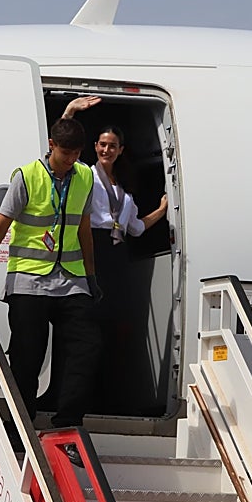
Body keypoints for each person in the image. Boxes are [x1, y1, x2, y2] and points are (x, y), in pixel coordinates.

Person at [0, 117, 100, 433]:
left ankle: (68, 421)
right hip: (28, 281)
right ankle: (21, 425)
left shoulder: (84, 177)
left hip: (70, 280)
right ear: (52, 145)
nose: (70, 160)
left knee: (87, 346)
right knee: (27, 357)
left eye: (76, 154)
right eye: (65, 153)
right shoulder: (27, 176)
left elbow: (84, 229)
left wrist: (91, 276)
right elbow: (1, 223)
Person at [62, 97, 168, 413]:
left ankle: (102, 394)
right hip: (93, 247)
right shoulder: (85, 174)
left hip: (116, 254)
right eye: (102, 144)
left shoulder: (124, 191)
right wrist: (70, 112)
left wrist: (162, 210)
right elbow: (63, 146)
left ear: (121, 150)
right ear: (95, 147)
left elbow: (136, 228)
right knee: (86, 325)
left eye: (112, 146)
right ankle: (71, 396)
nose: (106, 150)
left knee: (110, 326)